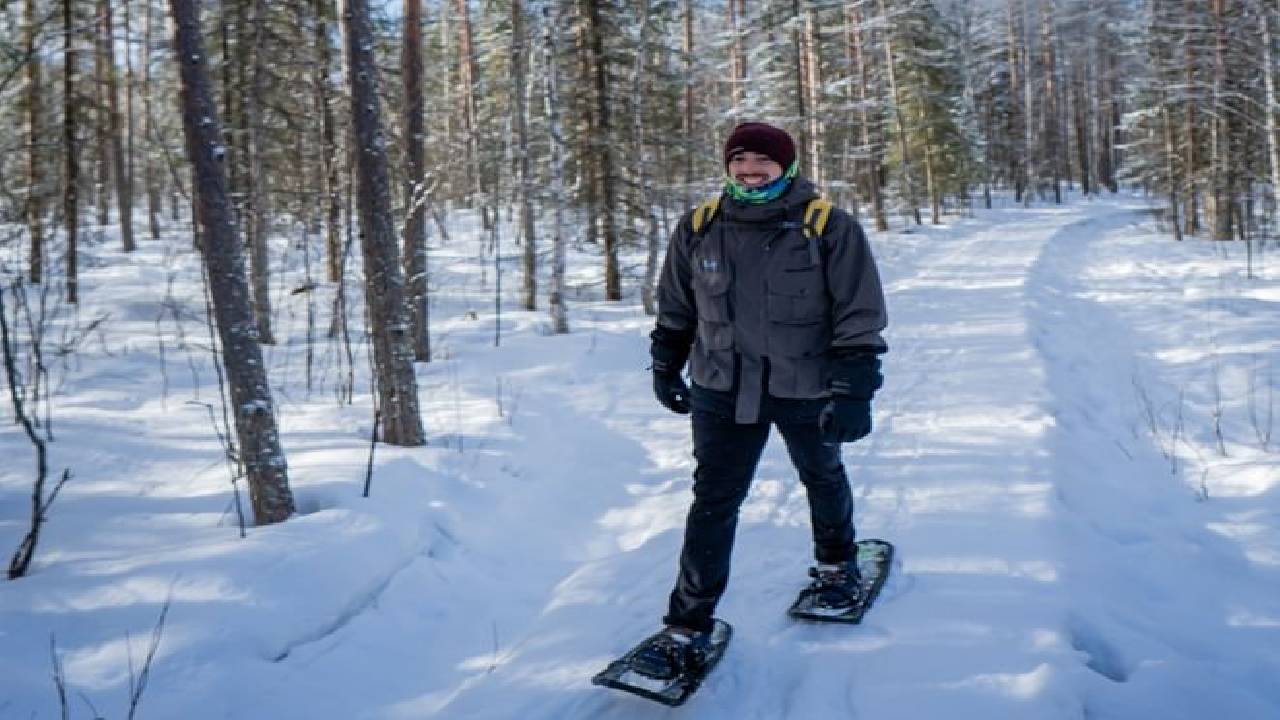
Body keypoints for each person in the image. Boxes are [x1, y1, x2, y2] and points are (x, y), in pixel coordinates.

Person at [636, 121, 888, 677]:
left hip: (805, 384)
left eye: (763, 167)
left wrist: (854, 386)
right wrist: (665, 364)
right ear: (728, 167)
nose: (751, 177)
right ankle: (686, 625)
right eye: (740, 167)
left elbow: (859, 310)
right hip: (722, 388)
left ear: (787, 166)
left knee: (821, 474)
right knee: (713, 500)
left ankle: (836, 566)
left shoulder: (828, 227)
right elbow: (676, 305)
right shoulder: (700, 227)